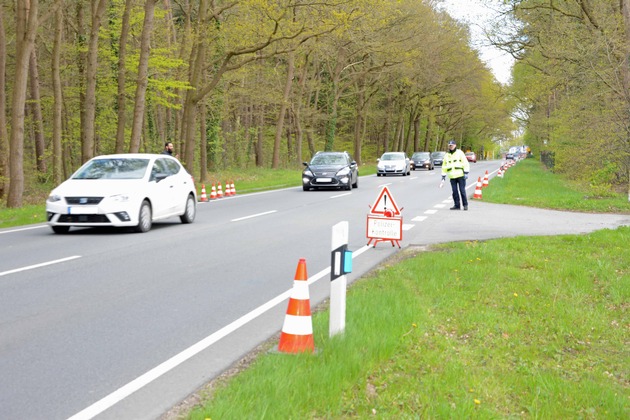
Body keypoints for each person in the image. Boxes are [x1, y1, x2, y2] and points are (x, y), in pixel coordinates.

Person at [441, 139, 470, 210]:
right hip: (452, 176)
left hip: (460, 175)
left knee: (462, 190)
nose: (451, 147)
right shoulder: (447, 155)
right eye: (449, 145)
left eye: (452, 145)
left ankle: (465, 205)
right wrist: (443, 176)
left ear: (455, 145)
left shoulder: (460, 153)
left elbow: (465, 163)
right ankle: (457, 205)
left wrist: (466, 172)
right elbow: (444, 166)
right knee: (454, 192)